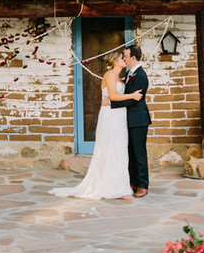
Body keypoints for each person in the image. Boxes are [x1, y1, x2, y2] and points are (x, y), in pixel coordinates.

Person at [49, 50, 143, 200]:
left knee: (120, 150)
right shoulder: (110, 75)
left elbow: (114, 98)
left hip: (119, 116)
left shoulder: (120, 78)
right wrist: (132, 95)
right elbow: (112, 96)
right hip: (110, 117)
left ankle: (120, 186)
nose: (124, 59)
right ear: (114, 61)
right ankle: (112, 188)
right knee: (111, 149)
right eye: (122, 58)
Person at [111, 44, 151, 198]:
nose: (124, 59)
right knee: (131, 152)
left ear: (133, 58)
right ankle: (133, 182)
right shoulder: (130, 73)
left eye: (126, 56)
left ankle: (143, 185)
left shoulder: (140, 76)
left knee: (139, 153)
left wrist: (112, 103)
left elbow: (135, 100)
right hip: (129, 120)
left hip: (139, 120)